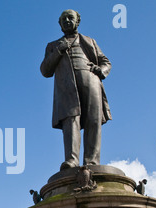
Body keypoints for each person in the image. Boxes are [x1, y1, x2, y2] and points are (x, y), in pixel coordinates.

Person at [40, 9, 112, 171]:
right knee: (71, 120)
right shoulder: (52, 46)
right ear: (59, 24)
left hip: (91, 81)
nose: (67, 21)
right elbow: (45, 70)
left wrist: (101, 70)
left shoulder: (90, 41)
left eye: (70, 18)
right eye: (63, 19)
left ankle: (92, 161)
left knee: (93, 121)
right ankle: (71, 160)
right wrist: (59, 50)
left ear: (77, 21)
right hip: (67, 86)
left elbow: (105, 62)